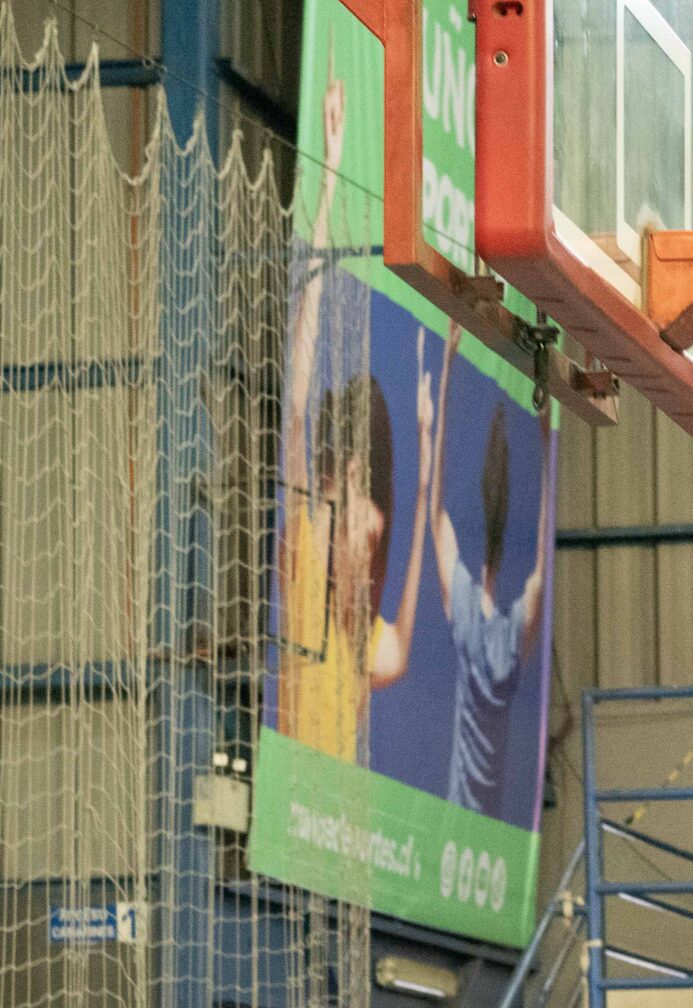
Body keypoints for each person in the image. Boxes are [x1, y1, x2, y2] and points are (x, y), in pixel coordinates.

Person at [274, 65, 440, 762]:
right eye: (372, 507)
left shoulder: (357, 630)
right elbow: (296, 397)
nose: (378, 529)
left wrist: (428, 465)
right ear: (341, 473)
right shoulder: (306, 544)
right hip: (298, 810)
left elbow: (399, 650)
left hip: (333, 834)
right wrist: (332, 173)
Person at [430, 406, 554, 817]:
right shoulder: (513, 638)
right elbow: (542, 560)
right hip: (490, 826)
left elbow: (436, 512)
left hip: (458, 818)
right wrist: (546, 443)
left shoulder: (465, 613)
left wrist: (445, 379)